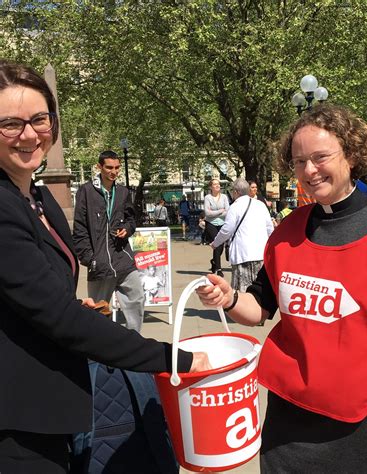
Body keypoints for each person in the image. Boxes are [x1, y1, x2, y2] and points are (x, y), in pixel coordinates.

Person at [196, 104, 367, 473]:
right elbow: (259, 308)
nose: (309, 170)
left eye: (320, 157)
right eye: (298, 161)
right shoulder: (287, 231)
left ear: (352, 155)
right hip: (288, 422)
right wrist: (228, 299)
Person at [0, 59, 210, 473]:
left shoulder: (40, 200)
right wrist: (171, 358)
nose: (29, 134)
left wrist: (80, 308)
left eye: (39, 118)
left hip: (54, 406)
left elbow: (47, 298)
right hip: (17, 419)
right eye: (10, 123)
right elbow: (57, 318)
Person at [73, 150, 145, 333]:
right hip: (100, 263)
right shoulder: (86, 191)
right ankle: (99, 354)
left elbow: (131, 219)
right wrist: (89, 258)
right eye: (109, 167)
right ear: (99, 167)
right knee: (99, 310)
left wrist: (127, 229)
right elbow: (79, 228)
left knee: (137, 299)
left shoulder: (122, 192)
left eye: (117, 168)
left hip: (123, 258)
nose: (114, 171)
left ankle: (133, 345)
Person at [209, 178, 273, 291]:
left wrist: (215, 243)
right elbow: (269, 228)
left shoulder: (234, 207)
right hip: (260, 253)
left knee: (243, 290)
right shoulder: (261, 205)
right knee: (259, 289)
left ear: (236, 192)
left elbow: (226, 230)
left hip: (243, 254)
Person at [204, 178, 229, 276]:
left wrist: (214, 213)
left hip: (222, 223)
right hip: (211, 224)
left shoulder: (224, 197)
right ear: (211, 187)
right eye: (215, 184)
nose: (217, 186)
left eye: (218, 184)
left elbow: (228, 211)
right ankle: (219, 269)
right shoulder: (208, 197)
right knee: (217, 244)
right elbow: (207, 213)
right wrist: (220, 211)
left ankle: (214, 262)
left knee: (221, 246)